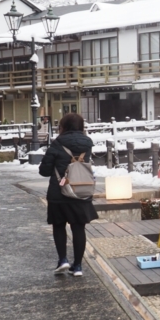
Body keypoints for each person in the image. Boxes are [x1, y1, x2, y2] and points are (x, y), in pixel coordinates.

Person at [38, 112, 99, 276]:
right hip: (81, 191)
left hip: (59, 193)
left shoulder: (57, 144)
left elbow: (44, 171)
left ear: (63, 127)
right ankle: (78, 266)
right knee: (78, 228)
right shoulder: (87, 144)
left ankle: (63, 260)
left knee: (59, 226)